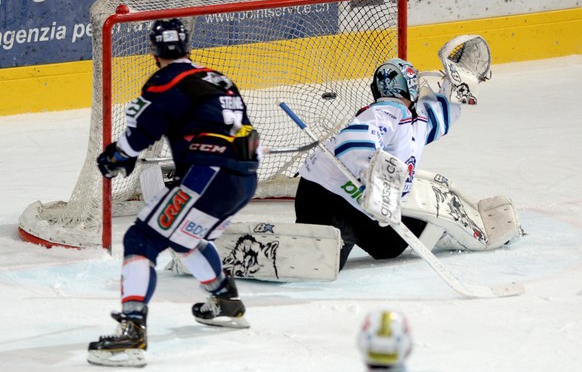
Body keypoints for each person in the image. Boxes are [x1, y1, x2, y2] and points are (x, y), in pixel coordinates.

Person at [87, 18, 259, 367]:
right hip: (244, 177)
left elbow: (140, 131)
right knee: (182, 237)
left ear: (153, 51)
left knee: (141, 238)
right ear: (187, 47)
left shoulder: (164, 82)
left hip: (206, 175)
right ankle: (225, 301)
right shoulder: (219, 78)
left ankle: (132, 332)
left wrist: (117, 158)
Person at [295, 58, 452, 270]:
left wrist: (455, 88)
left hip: (349, 199)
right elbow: (353, 142)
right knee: (324, 260)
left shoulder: (419, 119)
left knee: (389, 245)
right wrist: (370, 177)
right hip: (327, 195)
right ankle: (294, 239)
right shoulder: (388, 111)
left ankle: (337, 232)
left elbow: (440, 114)